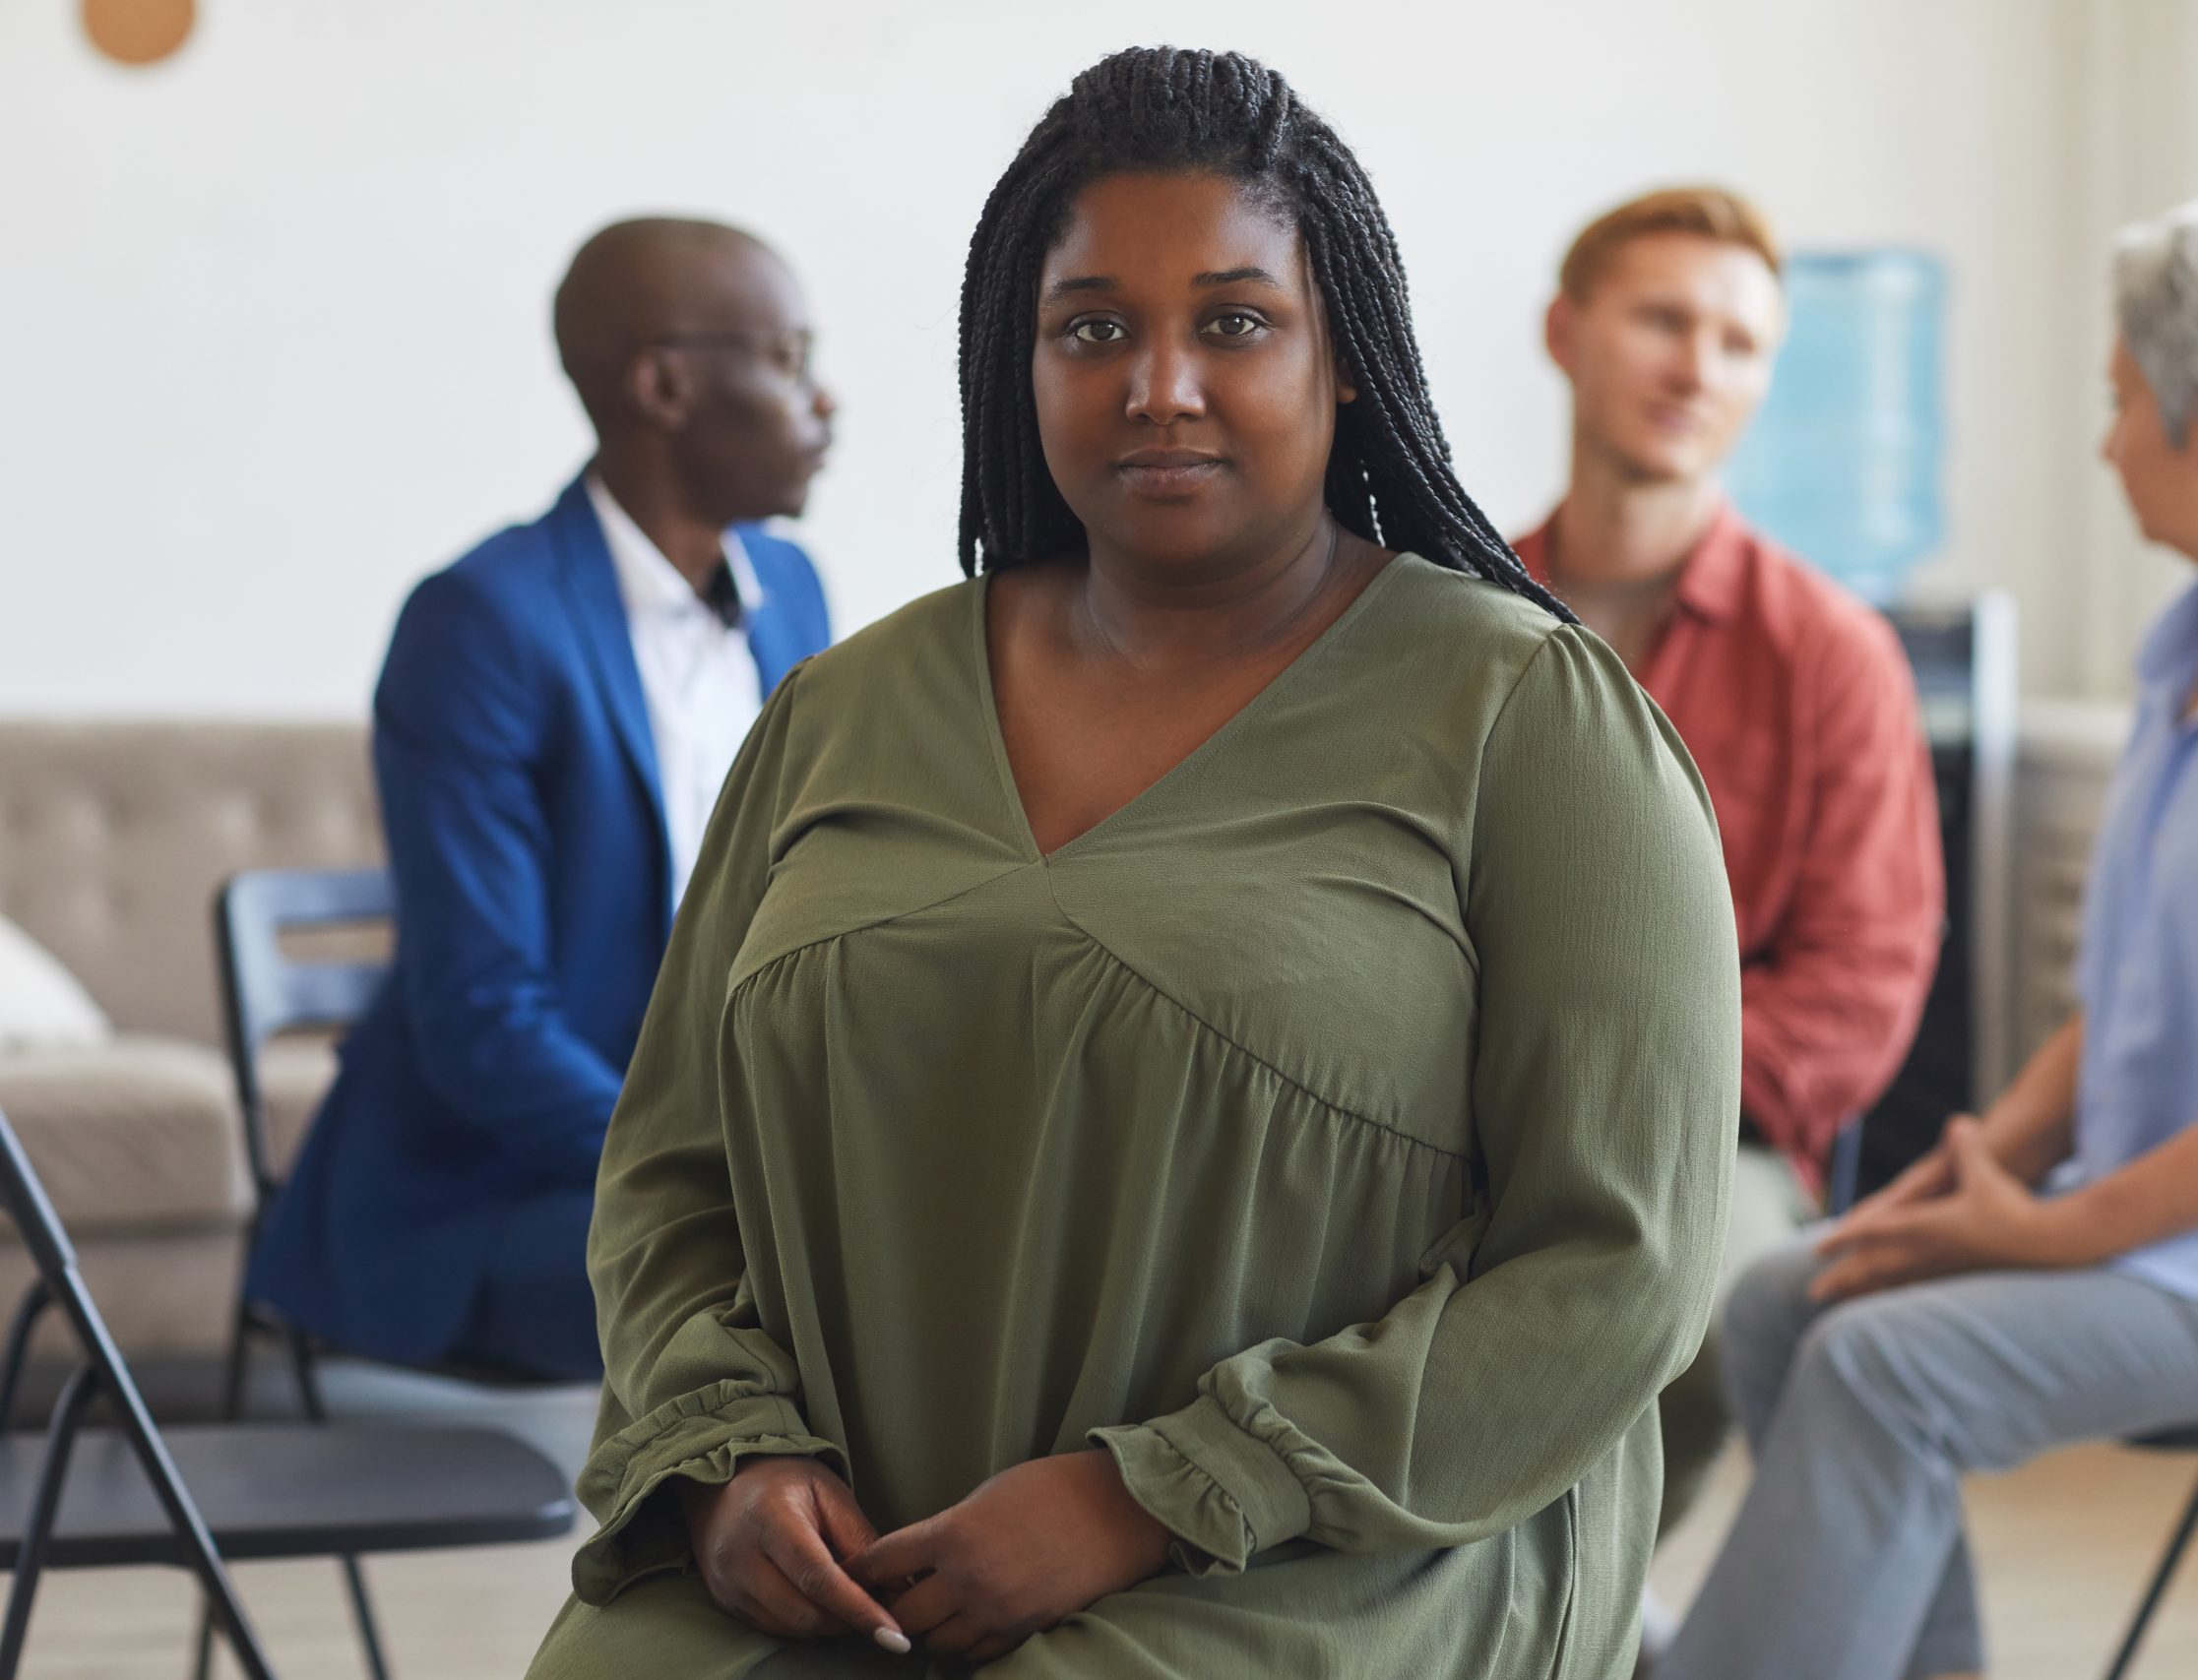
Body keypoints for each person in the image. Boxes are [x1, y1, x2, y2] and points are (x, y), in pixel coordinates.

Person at [526, 47, 1738, 1680]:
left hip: (1335, 1549)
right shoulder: (841, 708)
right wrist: (726, 1454)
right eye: (1092, 327)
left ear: (1348, 357)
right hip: (852, 1554)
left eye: (1234, 320)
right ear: (1016, 366)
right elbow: (670, 1175)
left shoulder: (1533, 720)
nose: (1158, 381)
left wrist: (1159, 1490)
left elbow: (1622, 1262)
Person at [1659, 192, 2198, 1680]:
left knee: (1885, 1362)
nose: (2106, 436)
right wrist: (1981, 1161)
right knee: (1795, 1298)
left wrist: (2053, 1228)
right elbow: (2123, 995)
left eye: (2122, 400)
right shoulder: (2195, 654)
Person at [245, 218, 837, 1382]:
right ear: (664, 382)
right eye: (788, 357)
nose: (825, 402)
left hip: (702, 1164)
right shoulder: (484, 621)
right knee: (805, 1276)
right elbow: (484, 1018)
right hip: (488, 1194)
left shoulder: (790, 593)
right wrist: (720, 1171)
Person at [1513, 186, 1944, 1562]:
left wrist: (1615, 1074)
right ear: (1565, 333)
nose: (1699, 368)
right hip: (1449, 1107)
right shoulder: (1450, 614)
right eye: (1661, 320)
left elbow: (1866, 984)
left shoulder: (1831, 650)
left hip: (1718, 1142)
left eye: (1740, 342)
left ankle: (1576, 1608)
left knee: (1677, 1303)